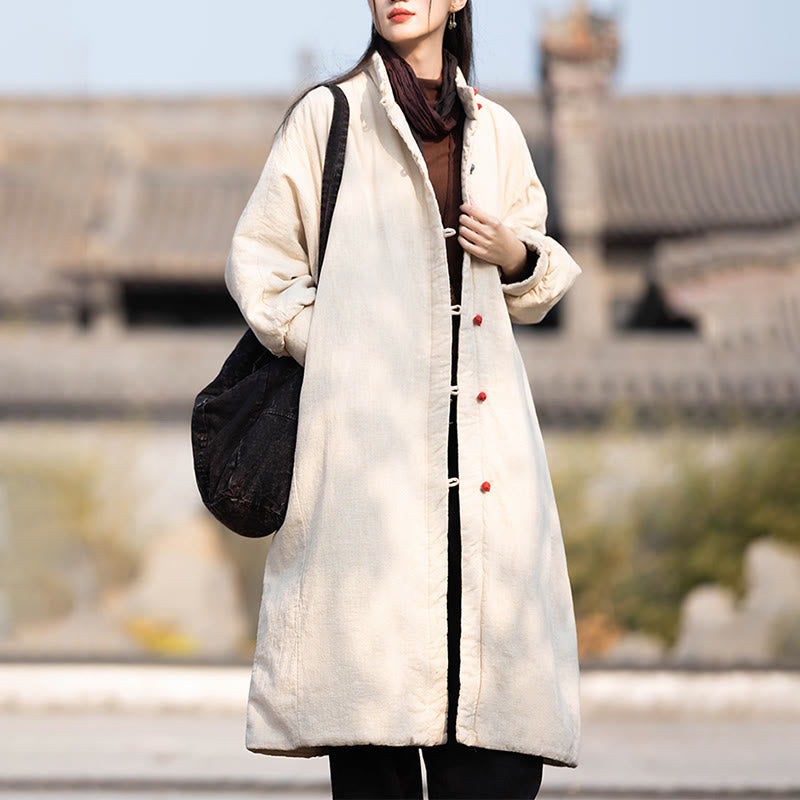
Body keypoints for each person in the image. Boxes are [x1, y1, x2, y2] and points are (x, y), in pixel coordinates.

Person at [224, 1, 583, 797]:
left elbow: (536, 285)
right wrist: (350, 349)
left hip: (491, 475)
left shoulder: (496, 132)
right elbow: (260, 266)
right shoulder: (331, 116)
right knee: (373, 734)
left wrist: (518, 254)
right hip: (370, 481)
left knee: (496, 745)